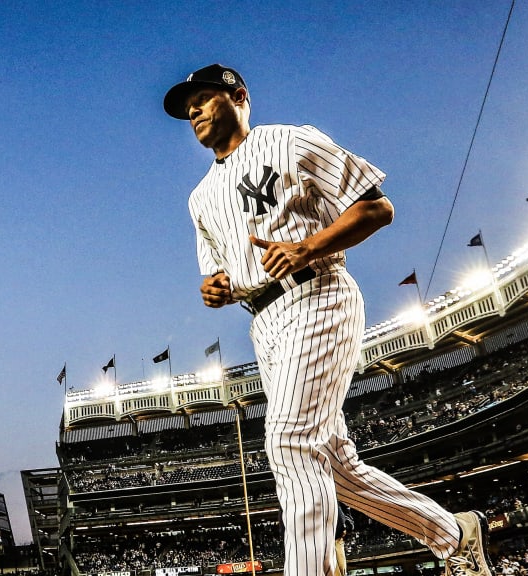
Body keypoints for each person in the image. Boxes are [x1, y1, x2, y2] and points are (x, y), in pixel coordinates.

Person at [163, 64, 493, 576]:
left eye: (203, 98)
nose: (193, 111)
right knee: (335, 466)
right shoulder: (199, 198)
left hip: (319, 294)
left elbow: (376, 209)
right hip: (264, 322)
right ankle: (454, 534)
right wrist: (217, 288)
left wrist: (308, 246)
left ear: (239, 96)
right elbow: (218, 272)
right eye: (188, 108)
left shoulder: (290, 141)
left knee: (291, 441)